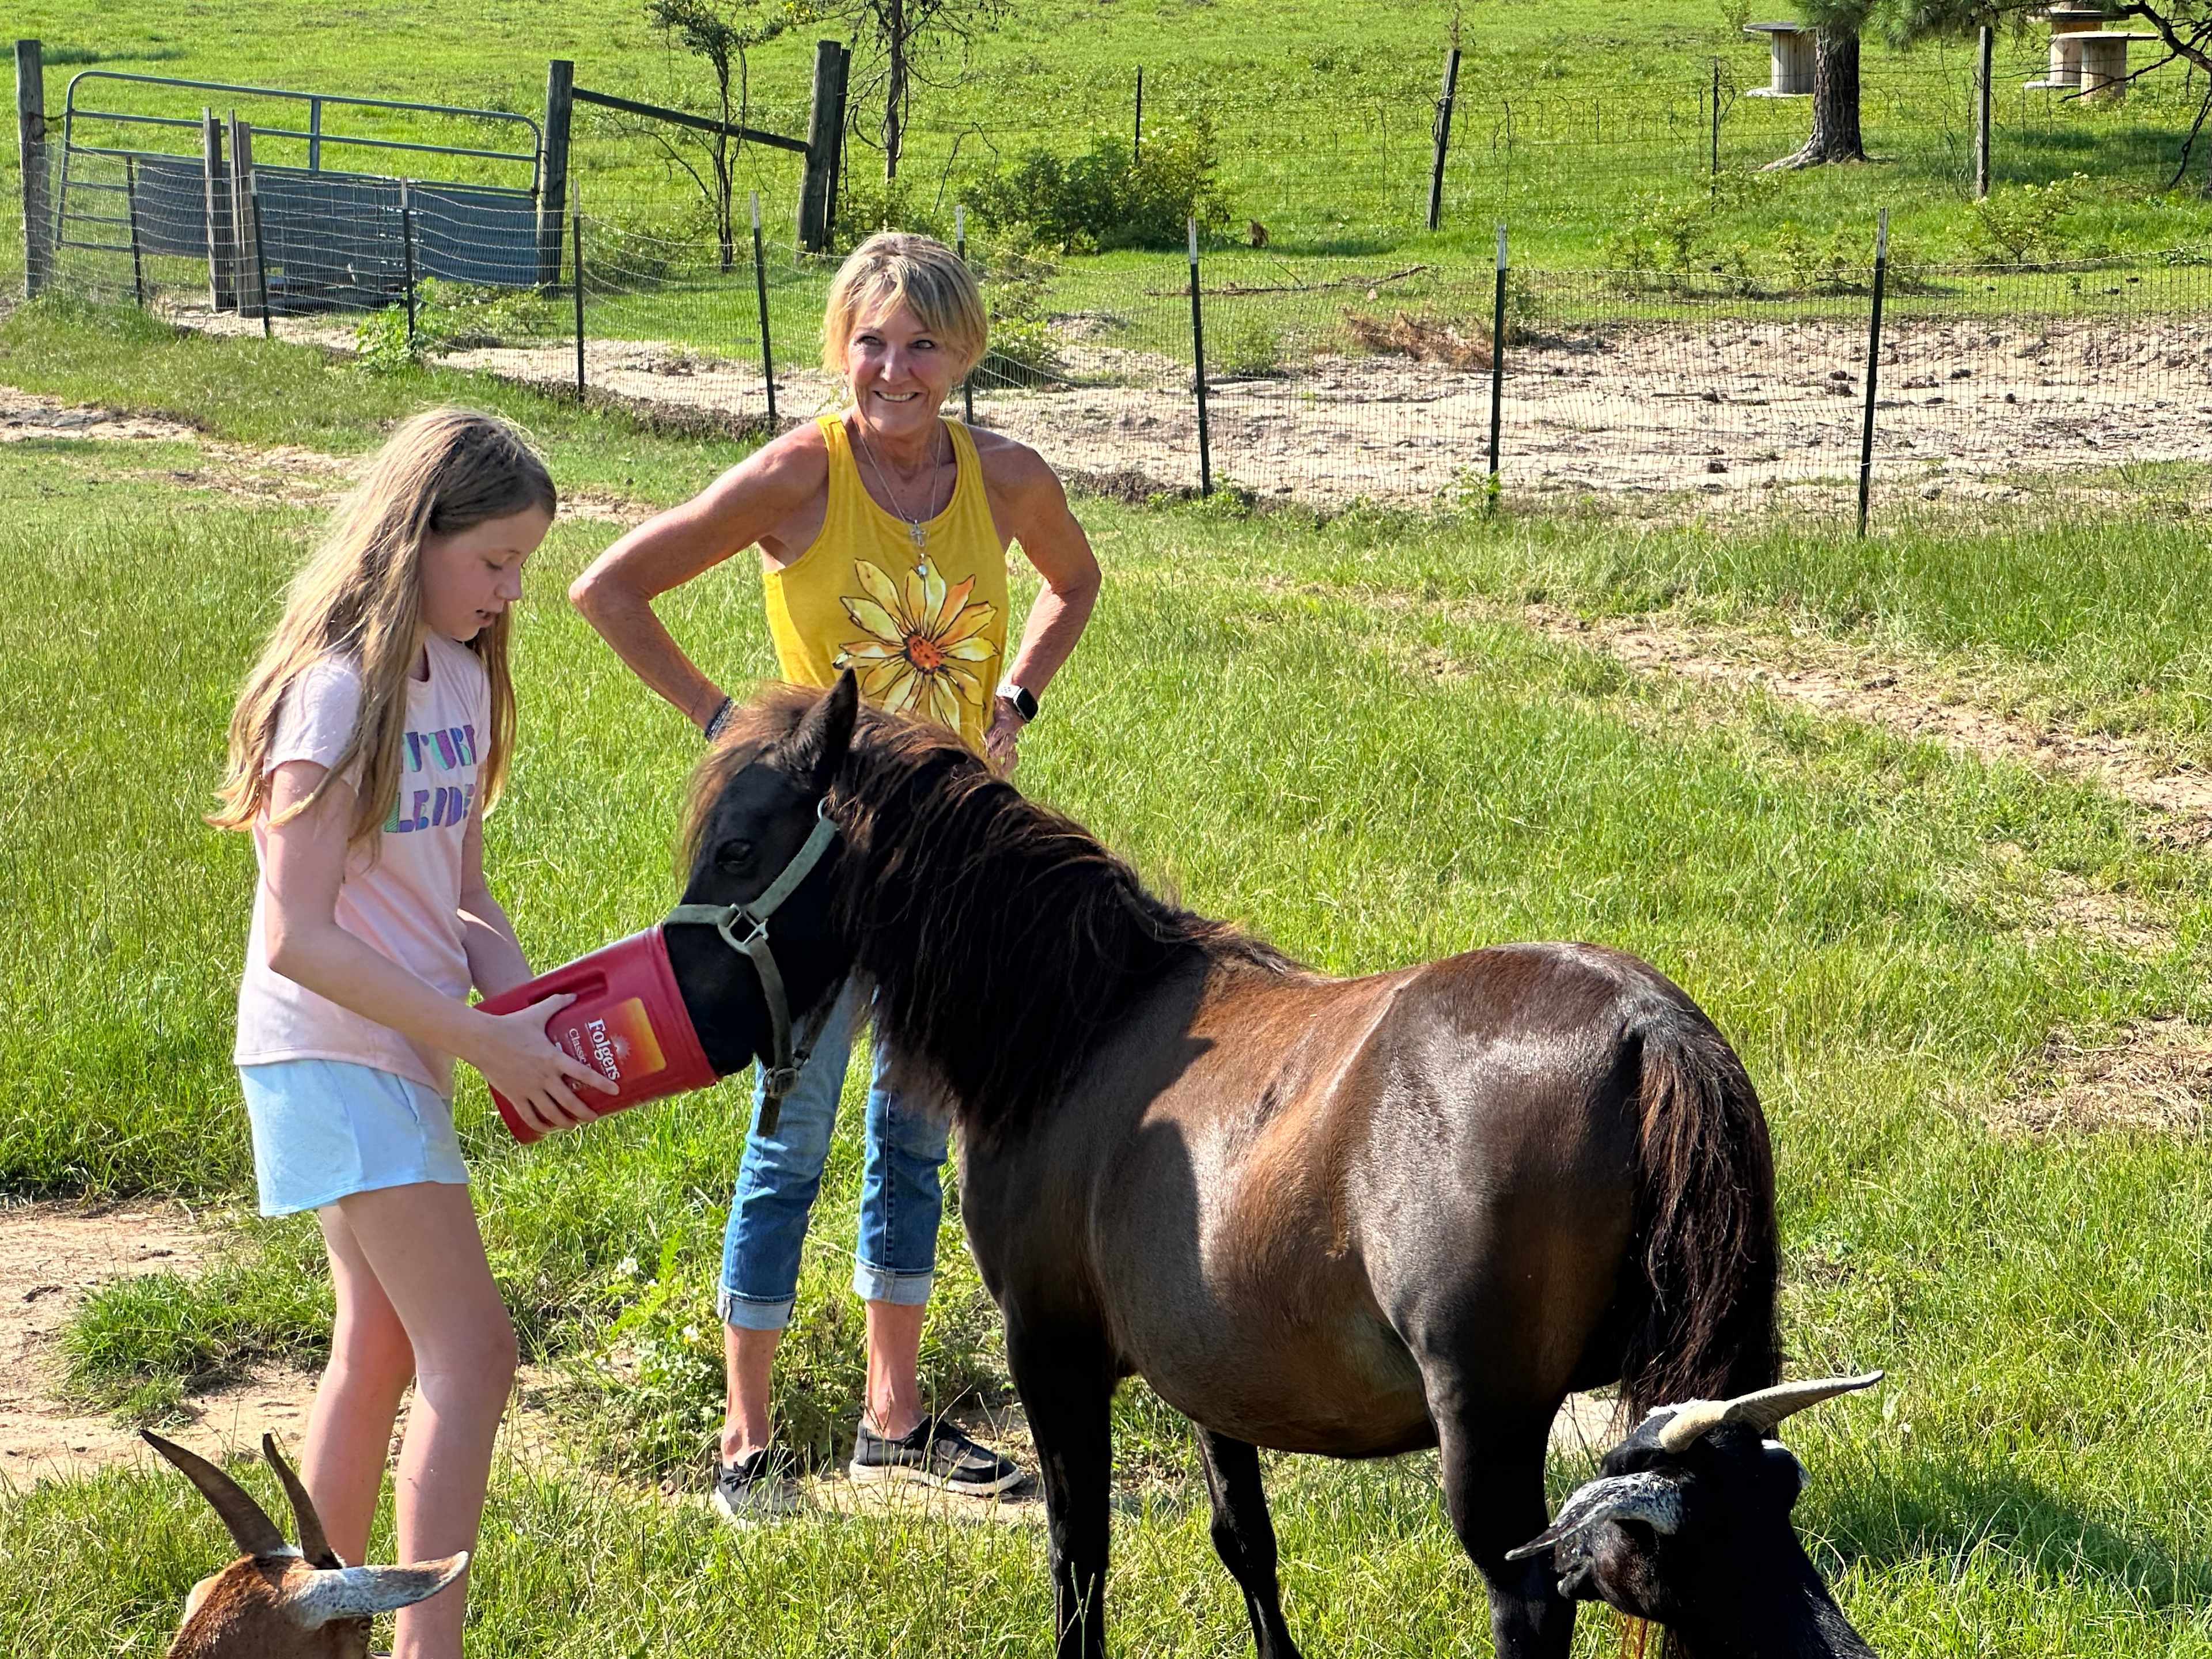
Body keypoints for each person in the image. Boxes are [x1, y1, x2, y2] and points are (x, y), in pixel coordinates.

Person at [570, 230, 1101, 1520]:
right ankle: (744, 1439)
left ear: (964, 352)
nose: (894, 368)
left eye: (922, 344)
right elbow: (609, 588)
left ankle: (893, 1419)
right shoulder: (800, 473)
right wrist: (730, 734)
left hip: (953, 875)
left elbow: (1075, 583)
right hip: (818, 876)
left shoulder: (1007, 474)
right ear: (840, 350)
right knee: (791, 1143)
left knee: (915, 1145)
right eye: (870, 341)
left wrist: (1017, 698)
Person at [210, 408, 618, 1659]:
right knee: (475, 1353)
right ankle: (423, 1649)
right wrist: (483, 1042)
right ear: (412, 537)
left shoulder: (456, 673)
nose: (508, 593)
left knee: (382, 1346)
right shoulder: (334, 695)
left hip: (401, 1046)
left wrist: (530, 1006)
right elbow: (297, 935)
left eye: (523, 568)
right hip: (328, 1049)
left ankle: (295, 1633)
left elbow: (464, 894)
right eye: (493, 561)